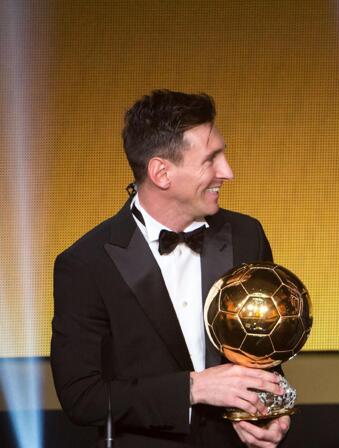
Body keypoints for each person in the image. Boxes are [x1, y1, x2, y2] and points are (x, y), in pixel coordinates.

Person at [51, 90, 290, 447]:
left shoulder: (246, 236)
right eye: (211, 160)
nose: (227, 172)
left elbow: (265, 354)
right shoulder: (86, 264)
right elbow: (83, 398)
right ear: (161, 172)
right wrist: (193, 388)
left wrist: (272, 410)